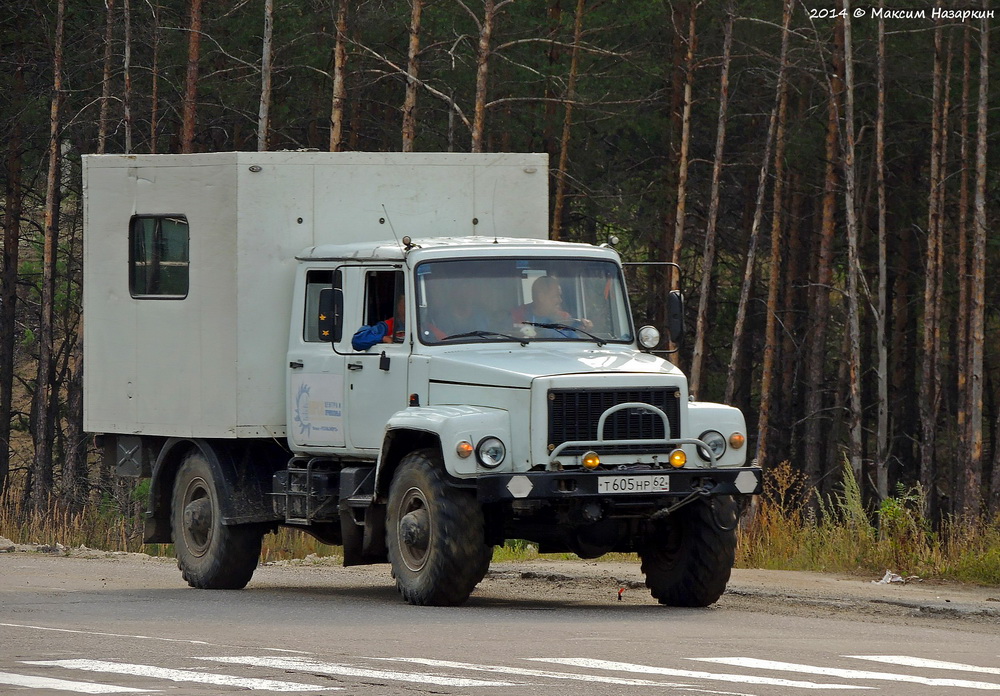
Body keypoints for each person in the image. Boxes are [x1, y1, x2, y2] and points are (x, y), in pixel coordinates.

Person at [512, 275, 592, 336]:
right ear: (541, 297)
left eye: (560, 296)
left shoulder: (564, 317)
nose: (560, 300)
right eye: (555, 296)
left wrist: (585, 327)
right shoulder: (518, 315)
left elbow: (576, 341)